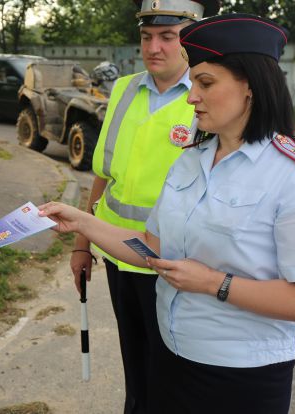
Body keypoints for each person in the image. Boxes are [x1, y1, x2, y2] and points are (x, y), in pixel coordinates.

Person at [42, 13, 295, 414]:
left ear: (250, 86)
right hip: (172, 356)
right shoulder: (190, 161)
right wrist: (82, 223)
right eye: (194, 82)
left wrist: (215, 283)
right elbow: (151, 247)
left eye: (206, 83)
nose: (191, 96)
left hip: (241, 376)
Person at [69, 0, 218, 412]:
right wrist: (83, 243)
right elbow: (103, 175)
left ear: (190, 39)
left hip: (174, 267)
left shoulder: (208, 97)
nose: (154, 47)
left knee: (172, 378)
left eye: (167, 37)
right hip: (120, 259)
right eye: (146, 36)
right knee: (135, 373)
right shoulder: (125, 89)